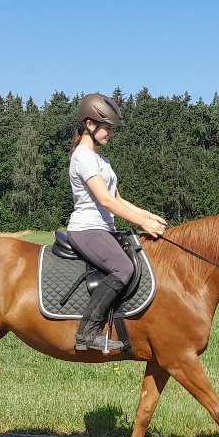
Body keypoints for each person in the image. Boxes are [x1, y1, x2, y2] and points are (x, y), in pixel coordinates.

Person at [67, 93, 167, 352]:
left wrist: (147, 215)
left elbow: (117, 198)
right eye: (107, 127)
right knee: (123, 268)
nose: (110, 132)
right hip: (87, 229)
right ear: (90, 124)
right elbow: (105, 201)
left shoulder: (102, 160)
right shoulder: (83, 156)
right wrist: (143, 224)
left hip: (104, 228)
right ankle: (87, 332)